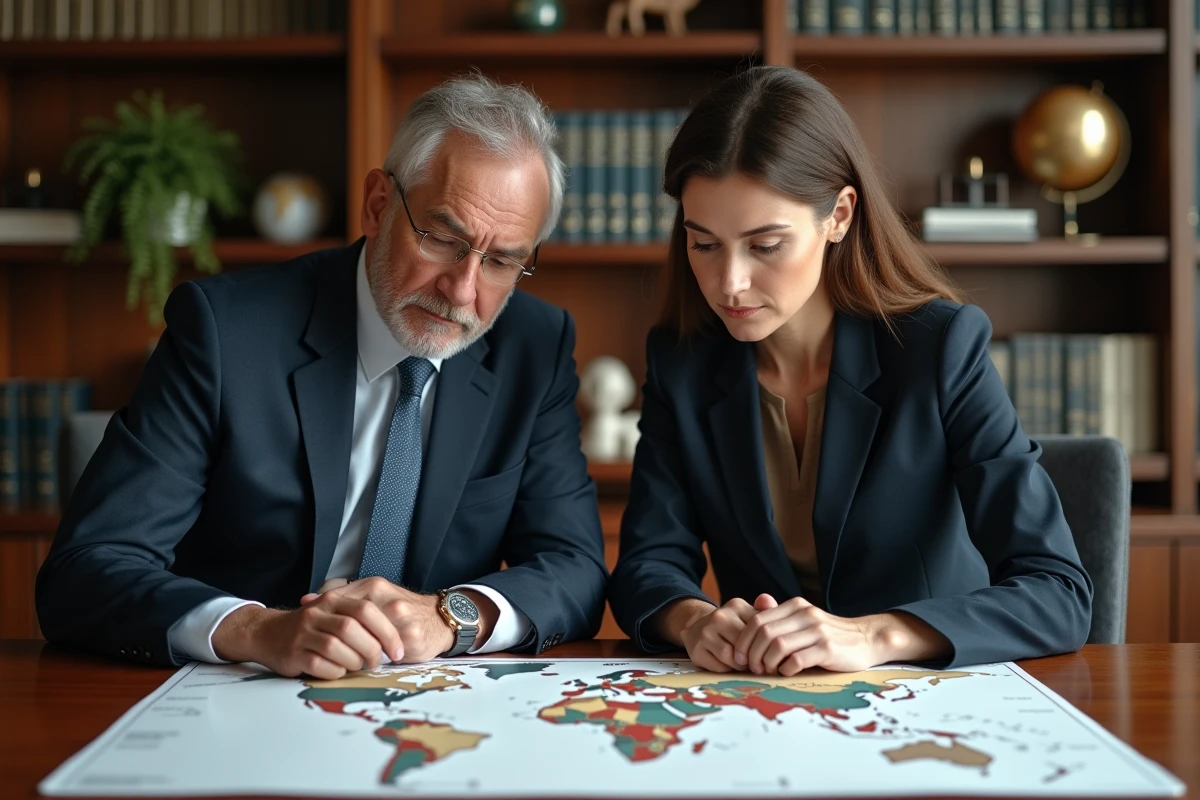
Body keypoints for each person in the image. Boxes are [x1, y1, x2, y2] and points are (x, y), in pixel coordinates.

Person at [36, 75, 608, 679]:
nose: (463, 291)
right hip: (236, 696)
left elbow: (573, 566)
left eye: (501, 261)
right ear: (379, 205)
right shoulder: (226, 332)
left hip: (426, 711)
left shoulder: (534, 346)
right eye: (443, 238)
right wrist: (258, 630)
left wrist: (449, 616)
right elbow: (86, 568)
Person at [609, 66, 1092, 675]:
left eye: (765, 245)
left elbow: (1059, 593)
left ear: (838, 215)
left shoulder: (939, 348)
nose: (728, 283)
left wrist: (876, 636)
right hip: (765, 708)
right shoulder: (683, 362)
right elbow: (645, 568)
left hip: (927, 707)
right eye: (704, 243)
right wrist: (694, 619)